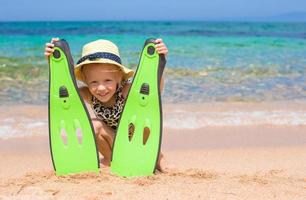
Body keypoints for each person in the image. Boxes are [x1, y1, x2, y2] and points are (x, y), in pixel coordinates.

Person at [45, 38, 169, 172]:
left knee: (168, 168)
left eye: (107, 80)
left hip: (138, 141)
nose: (101, 88)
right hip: (114, 142)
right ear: (86, 81)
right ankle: (111, 160)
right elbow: (64, 95)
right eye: (94, 82)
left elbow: (155, 91)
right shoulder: (88, 94)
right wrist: (55, 64)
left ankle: (153, 158)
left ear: (119, 78)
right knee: (94, 125)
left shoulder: (127, 90)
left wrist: (159, 62)